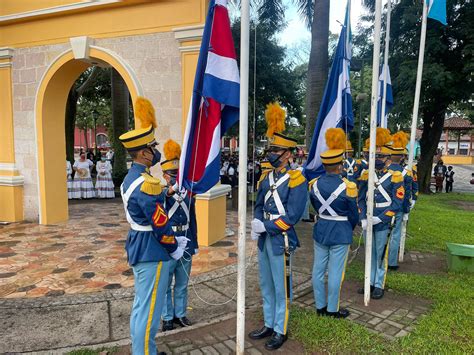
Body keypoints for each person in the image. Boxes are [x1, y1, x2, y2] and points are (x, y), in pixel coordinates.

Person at [118, 97, 186, 355]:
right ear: (144, 153)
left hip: (139, 244)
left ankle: (144, 350)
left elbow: (147, 207)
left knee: (141, 307)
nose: (155, 152)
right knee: (149, 312)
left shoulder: (132, 178)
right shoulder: (146, 184)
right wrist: (172, 246)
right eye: (152, 148)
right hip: (152, 249)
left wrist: (165, 194)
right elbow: (159, 223)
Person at [249, 102, 308, 351]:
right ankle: (269, 323)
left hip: (281, 239)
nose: (270, 153)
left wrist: (267, 226)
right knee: (266, 284)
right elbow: (260, 203)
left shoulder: (297, 180)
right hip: (265, 238)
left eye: (275, 150)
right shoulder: (266, 177)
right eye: (270, 149)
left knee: (281, 286)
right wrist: (257, 221)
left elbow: (293, 215)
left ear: (287, 154)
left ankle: (281, 329)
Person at [309, 128, 359, 318]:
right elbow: (353, 215)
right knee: (336, 272)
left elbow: (315, 205)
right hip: (341, 231)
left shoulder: (314, 184)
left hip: (321, 230)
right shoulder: (349, 186)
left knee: (318, 270)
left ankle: (320, 307)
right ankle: (333, 309)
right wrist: (349, 227)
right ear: (340, 166)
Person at [358, 128, 404, 300]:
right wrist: (362, 217)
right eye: (375, 156)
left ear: (387, 158)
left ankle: (379, 284)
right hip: (368, 219)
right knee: (369, 252)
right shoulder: (365, 175)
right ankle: (368, 281)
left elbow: (397, 202)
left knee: (380, 252)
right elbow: (360, 198)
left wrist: (382, 217)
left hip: (383, 220)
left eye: (380, 157)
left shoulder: (396, 176)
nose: (377, 159)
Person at [160, 140, 198, 332]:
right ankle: (167, 317)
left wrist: (195, 243)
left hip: (186, 240)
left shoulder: (189, 194)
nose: (175, 179)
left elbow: (194, 219)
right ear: (165, 175)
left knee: (182, 282)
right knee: (166, 284)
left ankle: (180, 314)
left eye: (178, 175)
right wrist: (169, 191)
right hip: (168, 243)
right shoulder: (161, 194)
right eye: (172, 175)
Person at [386, 132, 413, 270]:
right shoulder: (407, 173)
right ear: (402, 157)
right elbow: (407, 193)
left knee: (383, 233)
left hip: (384, 208)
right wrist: (407, 209)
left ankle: (380, 259)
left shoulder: (384, 171)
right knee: (396, 234)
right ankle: (392, 262)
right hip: (400, 208)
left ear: (390, 156)